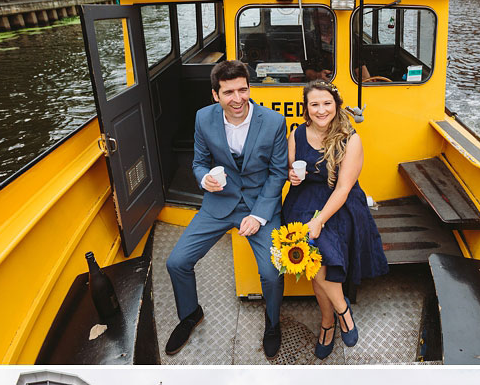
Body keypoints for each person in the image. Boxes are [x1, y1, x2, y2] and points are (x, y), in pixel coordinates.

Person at [165, 59, 289, 358]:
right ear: (215, 95)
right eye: (229, 92)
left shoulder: (273, 122)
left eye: (243, 90)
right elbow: (199, 162)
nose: (238, 99)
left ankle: (272, 323)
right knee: (176, 262)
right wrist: (203, 178)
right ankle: (191, 314)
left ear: (249, 87)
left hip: (260, 206)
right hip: (219, 203)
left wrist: (259, 216)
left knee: (271, 274)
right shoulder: (203, 119)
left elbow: (278, 173)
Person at [283, 81, 389, 358]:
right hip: (304, 200)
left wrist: (319, 221)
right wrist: (293, 177)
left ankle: (328, 323)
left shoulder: (351, 139)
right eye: (314, 104)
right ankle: (341, 311)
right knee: (311, 248)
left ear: (336, 105)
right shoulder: (296, 135)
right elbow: (291, 171)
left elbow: (343, 188)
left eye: (327, 103)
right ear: (306, 108)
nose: (321, 110)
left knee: (318, 248)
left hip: (340, 203)